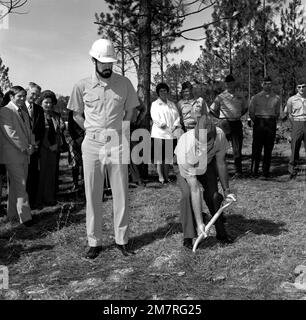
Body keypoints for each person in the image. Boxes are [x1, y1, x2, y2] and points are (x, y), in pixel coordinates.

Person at [67, 39, 139, 259]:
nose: (107, 67)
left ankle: (122, 240)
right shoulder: (81, 86)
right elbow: (76, 114)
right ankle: (94, 242)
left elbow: (131, 112)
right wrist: (91, 129)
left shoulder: (125, 83)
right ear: (94, 60)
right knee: (93, 194)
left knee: (121, 194)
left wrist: (122, 134)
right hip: (92, 144)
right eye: (103, 63)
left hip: (117, 143)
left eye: (110, 63)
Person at [174, 112, 236, 249]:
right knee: (187, 195)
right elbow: (195, 188)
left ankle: (221, 233)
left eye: (207, 144)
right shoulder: (186, 144)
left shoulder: (219, 135)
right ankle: (189, 236)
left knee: (214, 196)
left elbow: (221, 163)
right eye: (200, 143)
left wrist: (227, 190)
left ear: (213, 138)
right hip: (185, 164)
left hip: (206, 164)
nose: (203, 147)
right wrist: (199, 221)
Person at [0, 86, 35, 226]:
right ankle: (26, 218)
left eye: (23, 96)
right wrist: (25, 148)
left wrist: (32, 145)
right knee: (21, 185)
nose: (22, 98)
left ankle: (12, 215)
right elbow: (10, 133)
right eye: (19, 96)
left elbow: (29, 131)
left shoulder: (24, 113)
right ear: (11, 96)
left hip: (25, 154)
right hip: (13, 155)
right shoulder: (5, 111)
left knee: (15, 186)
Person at [209, 74, 248, 176]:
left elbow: (245, 108)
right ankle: (220, 172)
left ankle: (238, 172)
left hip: (236, 123)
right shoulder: (220, 97)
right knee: (221, 149)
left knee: (237, 149)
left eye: (231, 82)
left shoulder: (240, 95)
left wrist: (237, 115)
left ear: (234, 83)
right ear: (225, 84)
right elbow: (212, 109)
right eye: (228, 83)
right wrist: (220, 117)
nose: (230, 84)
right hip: (224, 124)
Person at [35, 90, 65, 207]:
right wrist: (48, 146)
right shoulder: (38, 115)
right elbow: (39, 134)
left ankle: (50, 198)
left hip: (54, 149)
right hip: (42, 149)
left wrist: (56, 145)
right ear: (41, 102)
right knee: (41, 175)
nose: (48, 105)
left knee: (52, 174)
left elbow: (59, 131)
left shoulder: (56, 115)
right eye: (46, 102)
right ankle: (39, 200)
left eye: (50, 103)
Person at [249, 76, 280, 178]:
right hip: (259, 122)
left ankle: (265, 172)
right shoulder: (255, 97)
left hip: (271, 122)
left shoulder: (276, 98)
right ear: (262, 84)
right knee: (256, 148)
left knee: (268, 148)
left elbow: (277, 113)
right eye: (266, 83)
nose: (268, 85)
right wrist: (258, 122)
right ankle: (254, 171)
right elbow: (251, 112)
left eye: (270, 83)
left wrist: (271, 121)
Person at [150, 82, 182, 184]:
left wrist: (175, 125)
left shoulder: (172, 104)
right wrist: (164, 126)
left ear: (167, 92)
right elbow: (155, 118)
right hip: (159, 134)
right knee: (159, 158)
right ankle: (161, 177)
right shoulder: (154, 104)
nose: (163, 92)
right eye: (161, 91)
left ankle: (167, 176)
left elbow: (177, 117)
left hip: (170, 134)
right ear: (158, 93)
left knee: (167, 158)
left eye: (165, 90)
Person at [25, 82, 45, 208]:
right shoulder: (18, 108)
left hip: (34, 149)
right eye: (33, 94)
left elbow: (41, 130)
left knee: (33, 176)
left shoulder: (39, 110)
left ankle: (31, 203)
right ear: (27, 91)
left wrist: (35, 144)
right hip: (20, 149)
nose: (35, 97)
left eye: (37, 96)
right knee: (21, 179)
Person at [283, 78, 306, 179]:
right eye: (299, 87)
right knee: (295, 147)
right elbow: (288, 114)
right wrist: (293, 126)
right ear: (297, 88)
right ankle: (292, 170)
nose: (301, 89)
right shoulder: (291, 100)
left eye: (303, 87)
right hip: (297, 122)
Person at [67, 110, 84, 191]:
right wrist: (75, 139)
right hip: (75, 141)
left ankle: (84, 183)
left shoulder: (87, 110)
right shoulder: (71, 112)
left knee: (85, 164)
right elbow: (70, 127)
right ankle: (75, 183)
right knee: (75, 164)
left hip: (86, 139)